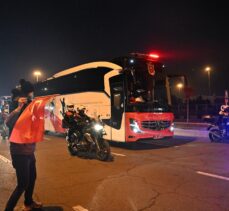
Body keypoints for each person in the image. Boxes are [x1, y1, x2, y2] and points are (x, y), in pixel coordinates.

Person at [5, 80, 42, 211]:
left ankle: (28, 203)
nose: (32, 95)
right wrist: (19, 108)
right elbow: (8, 122)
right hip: (19, 151)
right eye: (31, 93)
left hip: (29, 150)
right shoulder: (17, 106)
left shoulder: (30, 106)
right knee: (23, 184)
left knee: (32, 178)